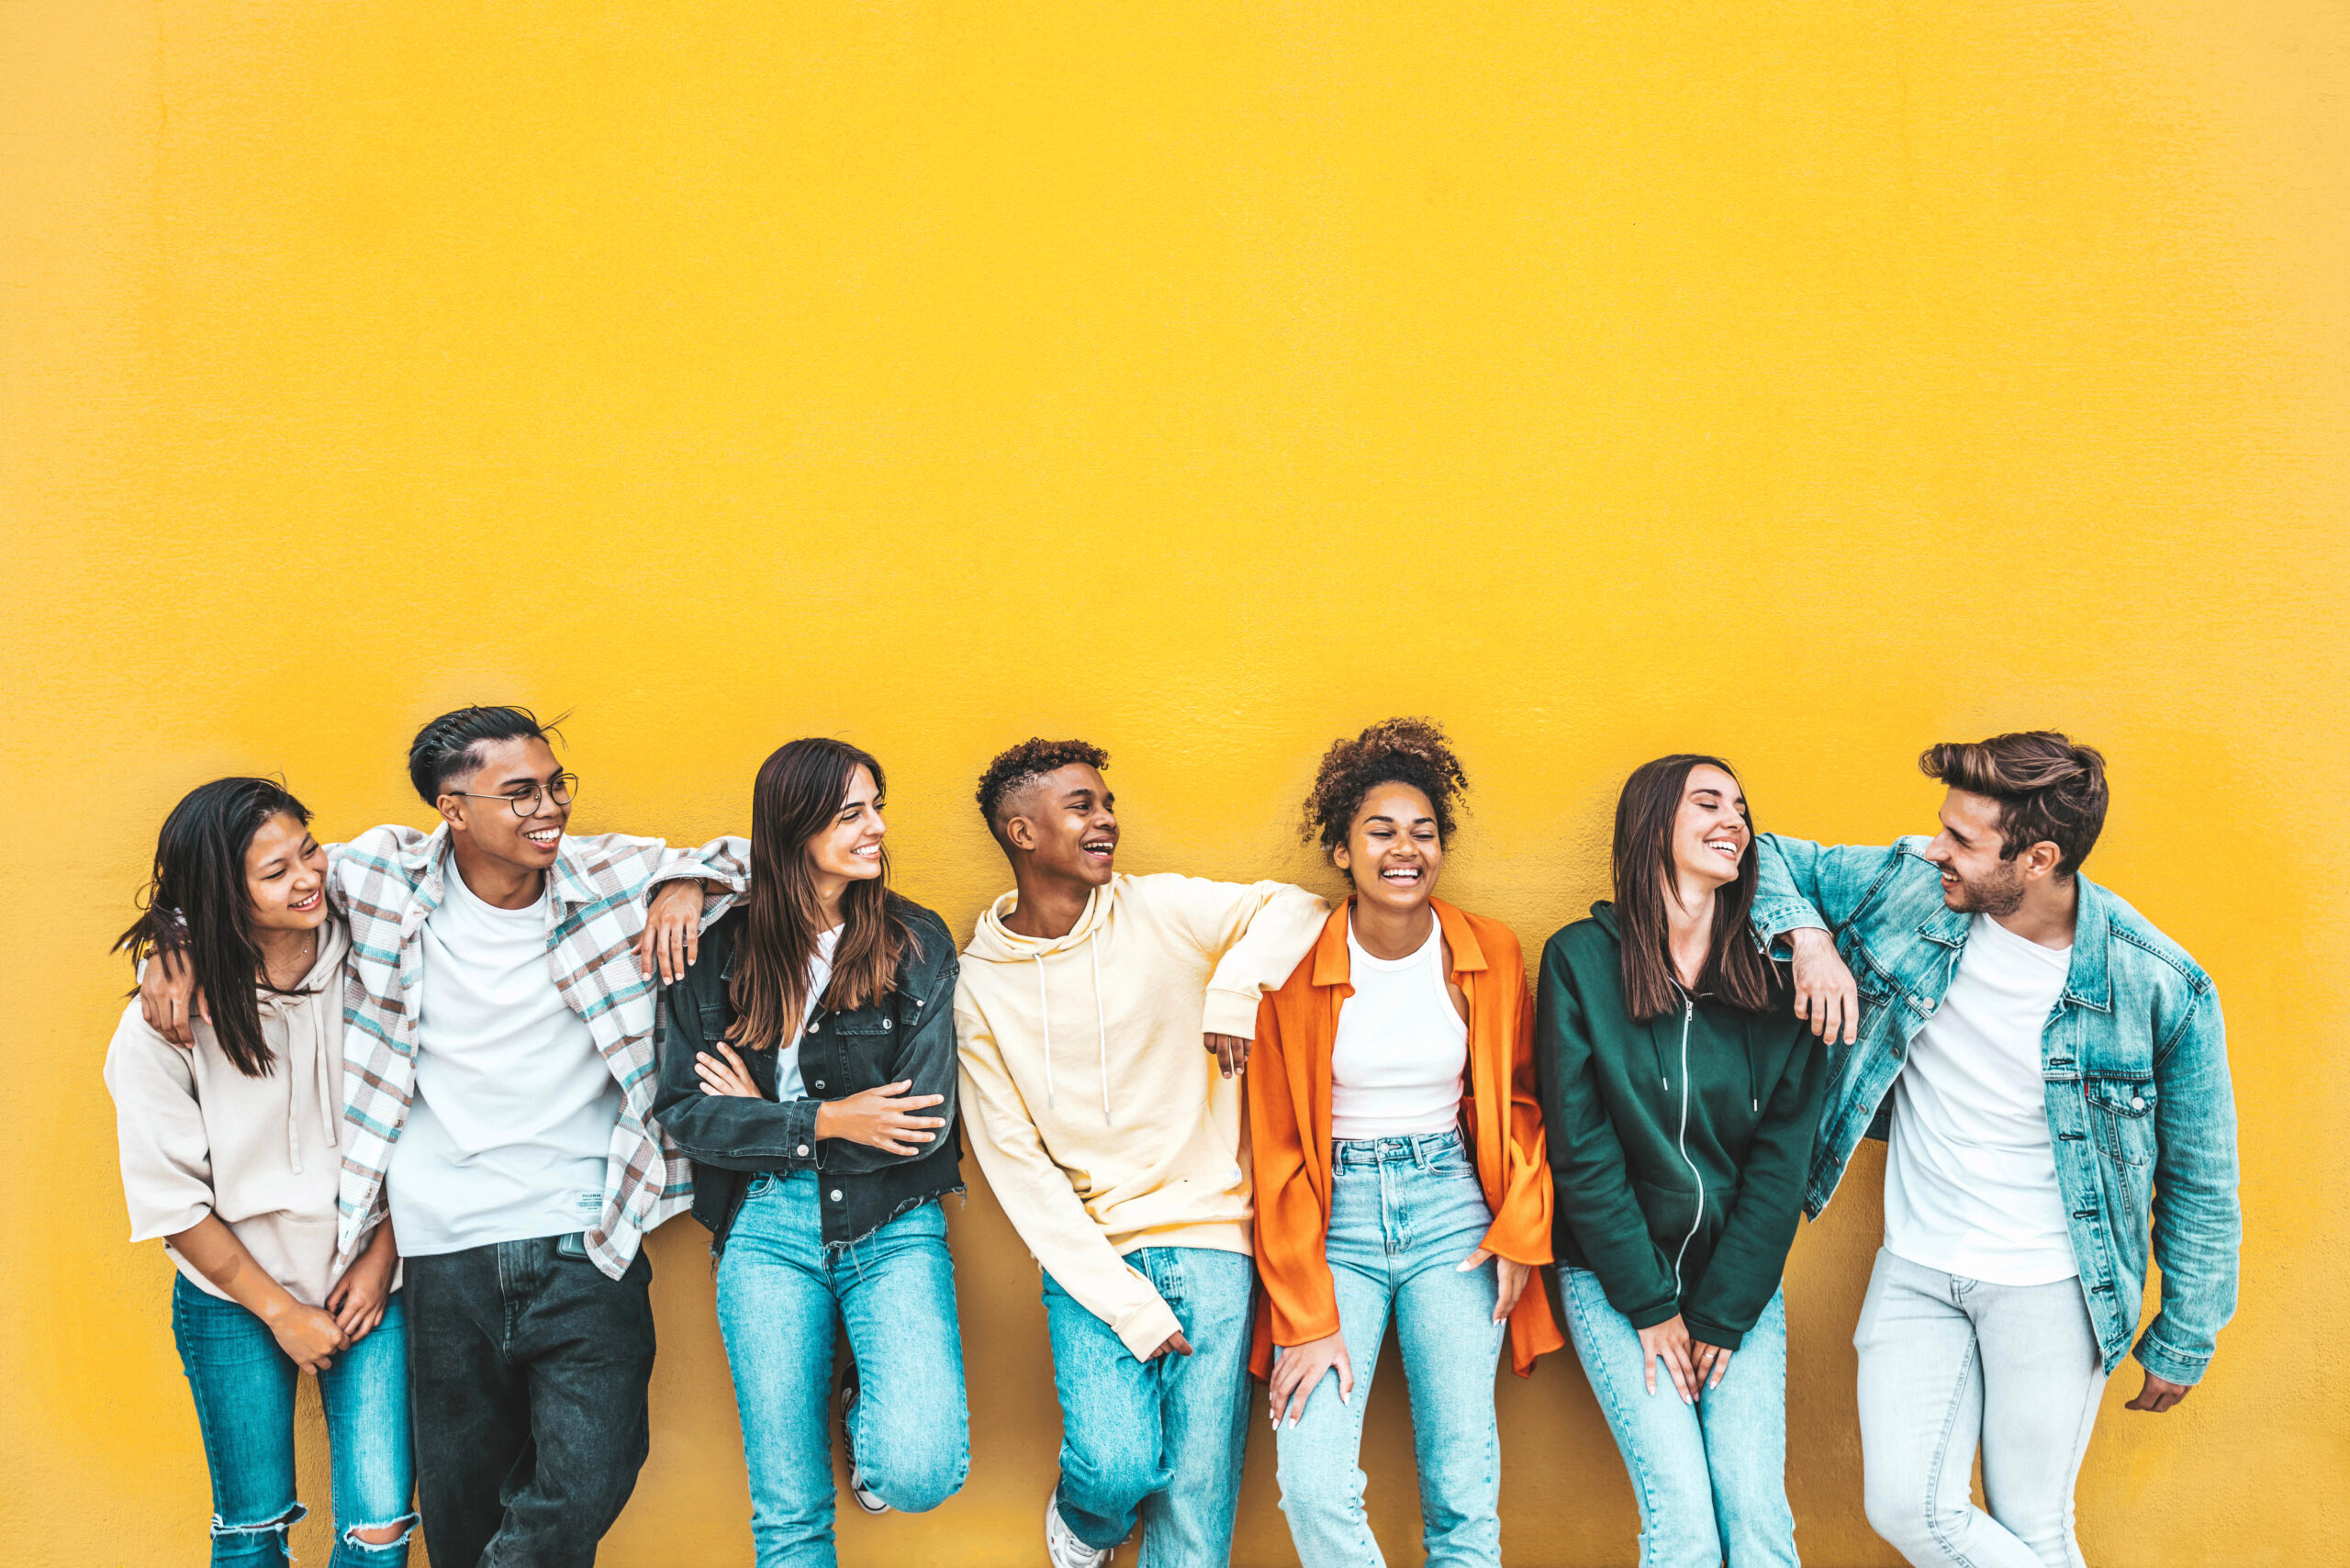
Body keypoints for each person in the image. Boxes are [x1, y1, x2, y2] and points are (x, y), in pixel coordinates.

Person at [142, 706, 744, 1568]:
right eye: (520, 794)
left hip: (588, 1233)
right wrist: (171, 945)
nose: (549, 810)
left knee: (596, 1466)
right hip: (438, 1250)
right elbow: (240, 888)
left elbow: (764, 864)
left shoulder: (614, 874)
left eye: (555, 786)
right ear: (452, 809)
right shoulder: (378, 877)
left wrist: (689, 883)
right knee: (459, 1507)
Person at [1753, 733, 2241, 1568]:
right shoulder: (1913, 886)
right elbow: (1764, 858)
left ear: (2039, 858)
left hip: (2054, 1290)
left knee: (2035, 1527)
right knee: (1910, 1509)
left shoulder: (2158, 983)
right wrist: (1810, 940)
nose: (1934, 848)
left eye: (1963, 841)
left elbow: (2201, 1174)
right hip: (1917, 1267)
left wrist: (2186, 1332)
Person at [953, 738, 1326, 1568]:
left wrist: (1236, 987)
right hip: (1093, 1256)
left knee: (1196, 1505)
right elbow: (1016, 1169)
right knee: (1116, 1463)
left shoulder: (1159, 909)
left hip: (1213, 1242)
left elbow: (1299, 907)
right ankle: (1086, 1523)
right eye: (1080, 805)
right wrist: (1124, 1302)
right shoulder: (978, 985)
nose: (1106, 820)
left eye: (1106, 803)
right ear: (1021, 831)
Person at [1248, 720, 1561, 1568]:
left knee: (1463, 1490)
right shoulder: (1293, 960)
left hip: (1454, 1213)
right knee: (1312, 1482)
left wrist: (1519, 1232)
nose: (1405, 849)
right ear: (1342, 851)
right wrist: (1306, 1316)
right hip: (1332, 1225)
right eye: (1380, 831)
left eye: (1423, 832)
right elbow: (1274, 1145)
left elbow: (1522, 1102)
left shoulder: (1488, 951)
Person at [652, 738, 969, 1565]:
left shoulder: (916, 941)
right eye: (851, 814)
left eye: (876, 806)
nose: (878, 828)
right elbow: (685, 1111)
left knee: (922, 1469)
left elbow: (918, 1126)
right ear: (795, 831)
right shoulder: (717, 947)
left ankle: (867, 1408)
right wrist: (822, 1122)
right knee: (788, 1507)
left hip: (892, 1223)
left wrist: (764, 1121)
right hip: (763, 1234)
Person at [107, 778, 416, 1567]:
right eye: (274, 873)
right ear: (221, 894)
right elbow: (172, 1204)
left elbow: (429, 1129)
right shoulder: (166, 1022)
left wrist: (383, 1260)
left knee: (380, 1534)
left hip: (371, 1283)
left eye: (307, 850)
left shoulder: (381, 961)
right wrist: (280, 1312)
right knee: (252, 1531)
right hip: (233, 1299)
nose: (307, 877)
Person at [1535, 756, 1823, 1567]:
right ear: (1652, 823)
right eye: (1708, 802)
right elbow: (1581, 1153)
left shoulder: (1779, 984)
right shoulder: (1580, 963)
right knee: (1685, 1525)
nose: (1733, 818)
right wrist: (1652, 1305)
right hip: (1621, 1285)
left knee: (1757, 1514)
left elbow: (1780, 1168)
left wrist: (1723, 1311)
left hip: (1737, 1287)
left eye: (1741, 806)